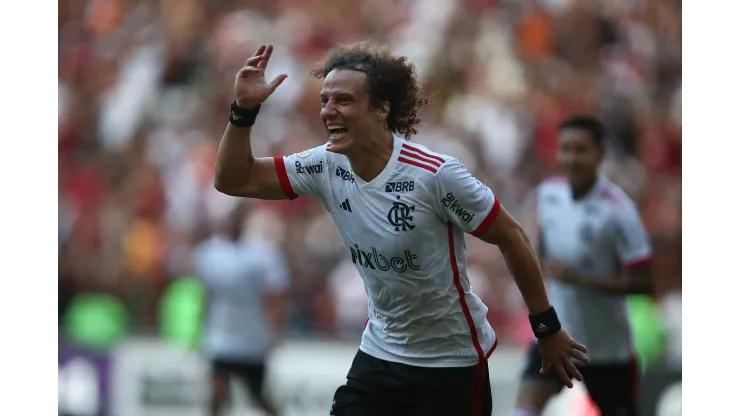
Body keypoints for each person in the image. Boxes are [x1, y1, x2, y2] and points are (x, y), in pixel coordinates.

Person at [213, 42, 589, 416]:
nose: (329, 111)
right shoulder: (324, 165)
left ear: (381, 109)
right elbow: (233, 179)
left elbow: (512, 237)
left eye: (343, 100)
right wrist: (244, 110)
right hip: (381, 353)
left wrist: (546, 327)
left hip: (451, 361)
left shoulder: (434, 175)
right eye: (325, 100)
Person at [510, 115, 653, 416]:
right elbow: (545, 248)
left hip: (605, 349)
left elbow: (644, 283)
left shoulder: (619, 210)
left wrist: (580, 279)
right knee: (524, 408)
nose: (571, 158)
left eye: (580, 150)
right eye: (565, 149)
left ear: (600, 154)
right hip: (557, 335)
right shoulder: (549, 194)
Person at [192, 204, 288, 416]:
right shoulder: (210, 253)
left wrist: (275, 329)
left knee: (256, 393)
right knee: (218, 389)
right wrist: (200, 327)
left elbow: (273, 296)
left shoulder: (261, 254)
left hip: (251, 334)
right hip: (221, 333)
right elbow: (206, 294)